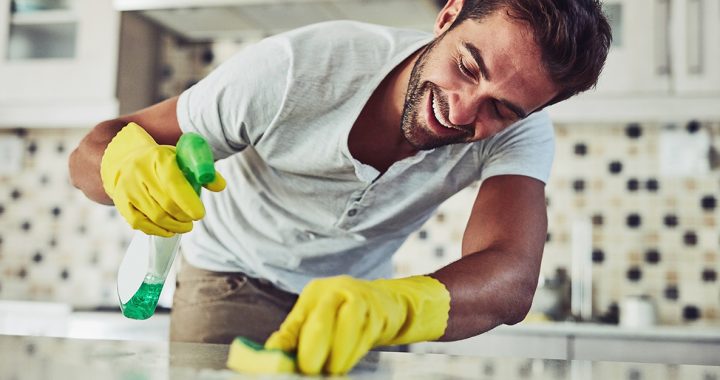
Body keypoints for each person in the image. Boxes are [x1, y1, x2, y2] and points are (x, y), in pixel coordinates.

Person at [69, 0, 611, 375]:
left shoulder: (522, 133)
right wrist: (123, 165)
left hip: (356, 304)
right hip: (230, 280)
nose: (462, 109)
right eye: (467, 67)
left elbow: (510, 278)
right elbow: (94, 150)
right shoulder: (295, 68)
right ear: (448, 18)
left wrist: (389, 310)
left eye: (501, 108)